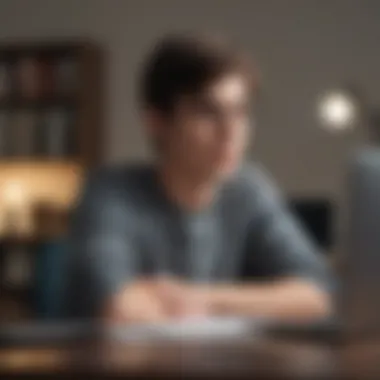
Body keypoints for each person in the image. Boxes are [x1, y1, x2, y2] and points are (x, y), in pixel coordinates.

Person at [63, 33, 334, 323]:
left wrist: (202, 299)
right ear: (157, 122)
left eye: (240, 112)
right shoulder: (111, 192)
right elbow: (119, 306)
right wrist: (256, 302)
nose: (230, 131)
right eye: (208, 112)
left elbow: (320, 295)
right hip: (121, 367)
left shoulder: (249, 189)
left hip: (214, 366)